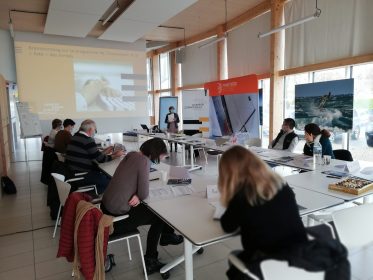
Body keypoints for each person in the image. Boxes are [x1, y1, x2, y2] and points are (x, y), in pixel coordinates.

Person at [218, 146, 307, 279]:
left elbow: (228, 226)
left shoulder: (242, 197)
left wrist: (229, 201)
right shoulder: (281, 185)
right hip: (301, 259)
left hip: (268, 266)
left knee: (235, 256)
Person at [102, 138, 183, 275]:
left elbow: (132, 181)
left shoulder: (132, 155)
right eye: (162, 154)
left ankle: (167, 235)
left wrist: (137, 194)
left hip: (105, 208)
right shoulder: (144, 162)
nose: (163, 157)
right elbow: (144, 193)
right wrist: (139, 195)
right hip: (115, 220)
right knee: (159, 215)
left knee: (154, 211)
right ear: (155, 153)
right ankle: (151, 260)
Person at [65, 119, 124, 194]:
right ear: (90, 130)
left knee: (106, 177)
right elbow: (100, 159)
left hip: (72, 172)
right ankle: (87, 195)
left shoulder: (75, 136)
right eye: (95, 130)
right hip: (81, 174)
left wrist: (105, 151)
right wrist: (116, 155)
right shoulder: (88, 140)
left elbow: (94, 155)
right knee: (111, 183)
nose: (95, 132)